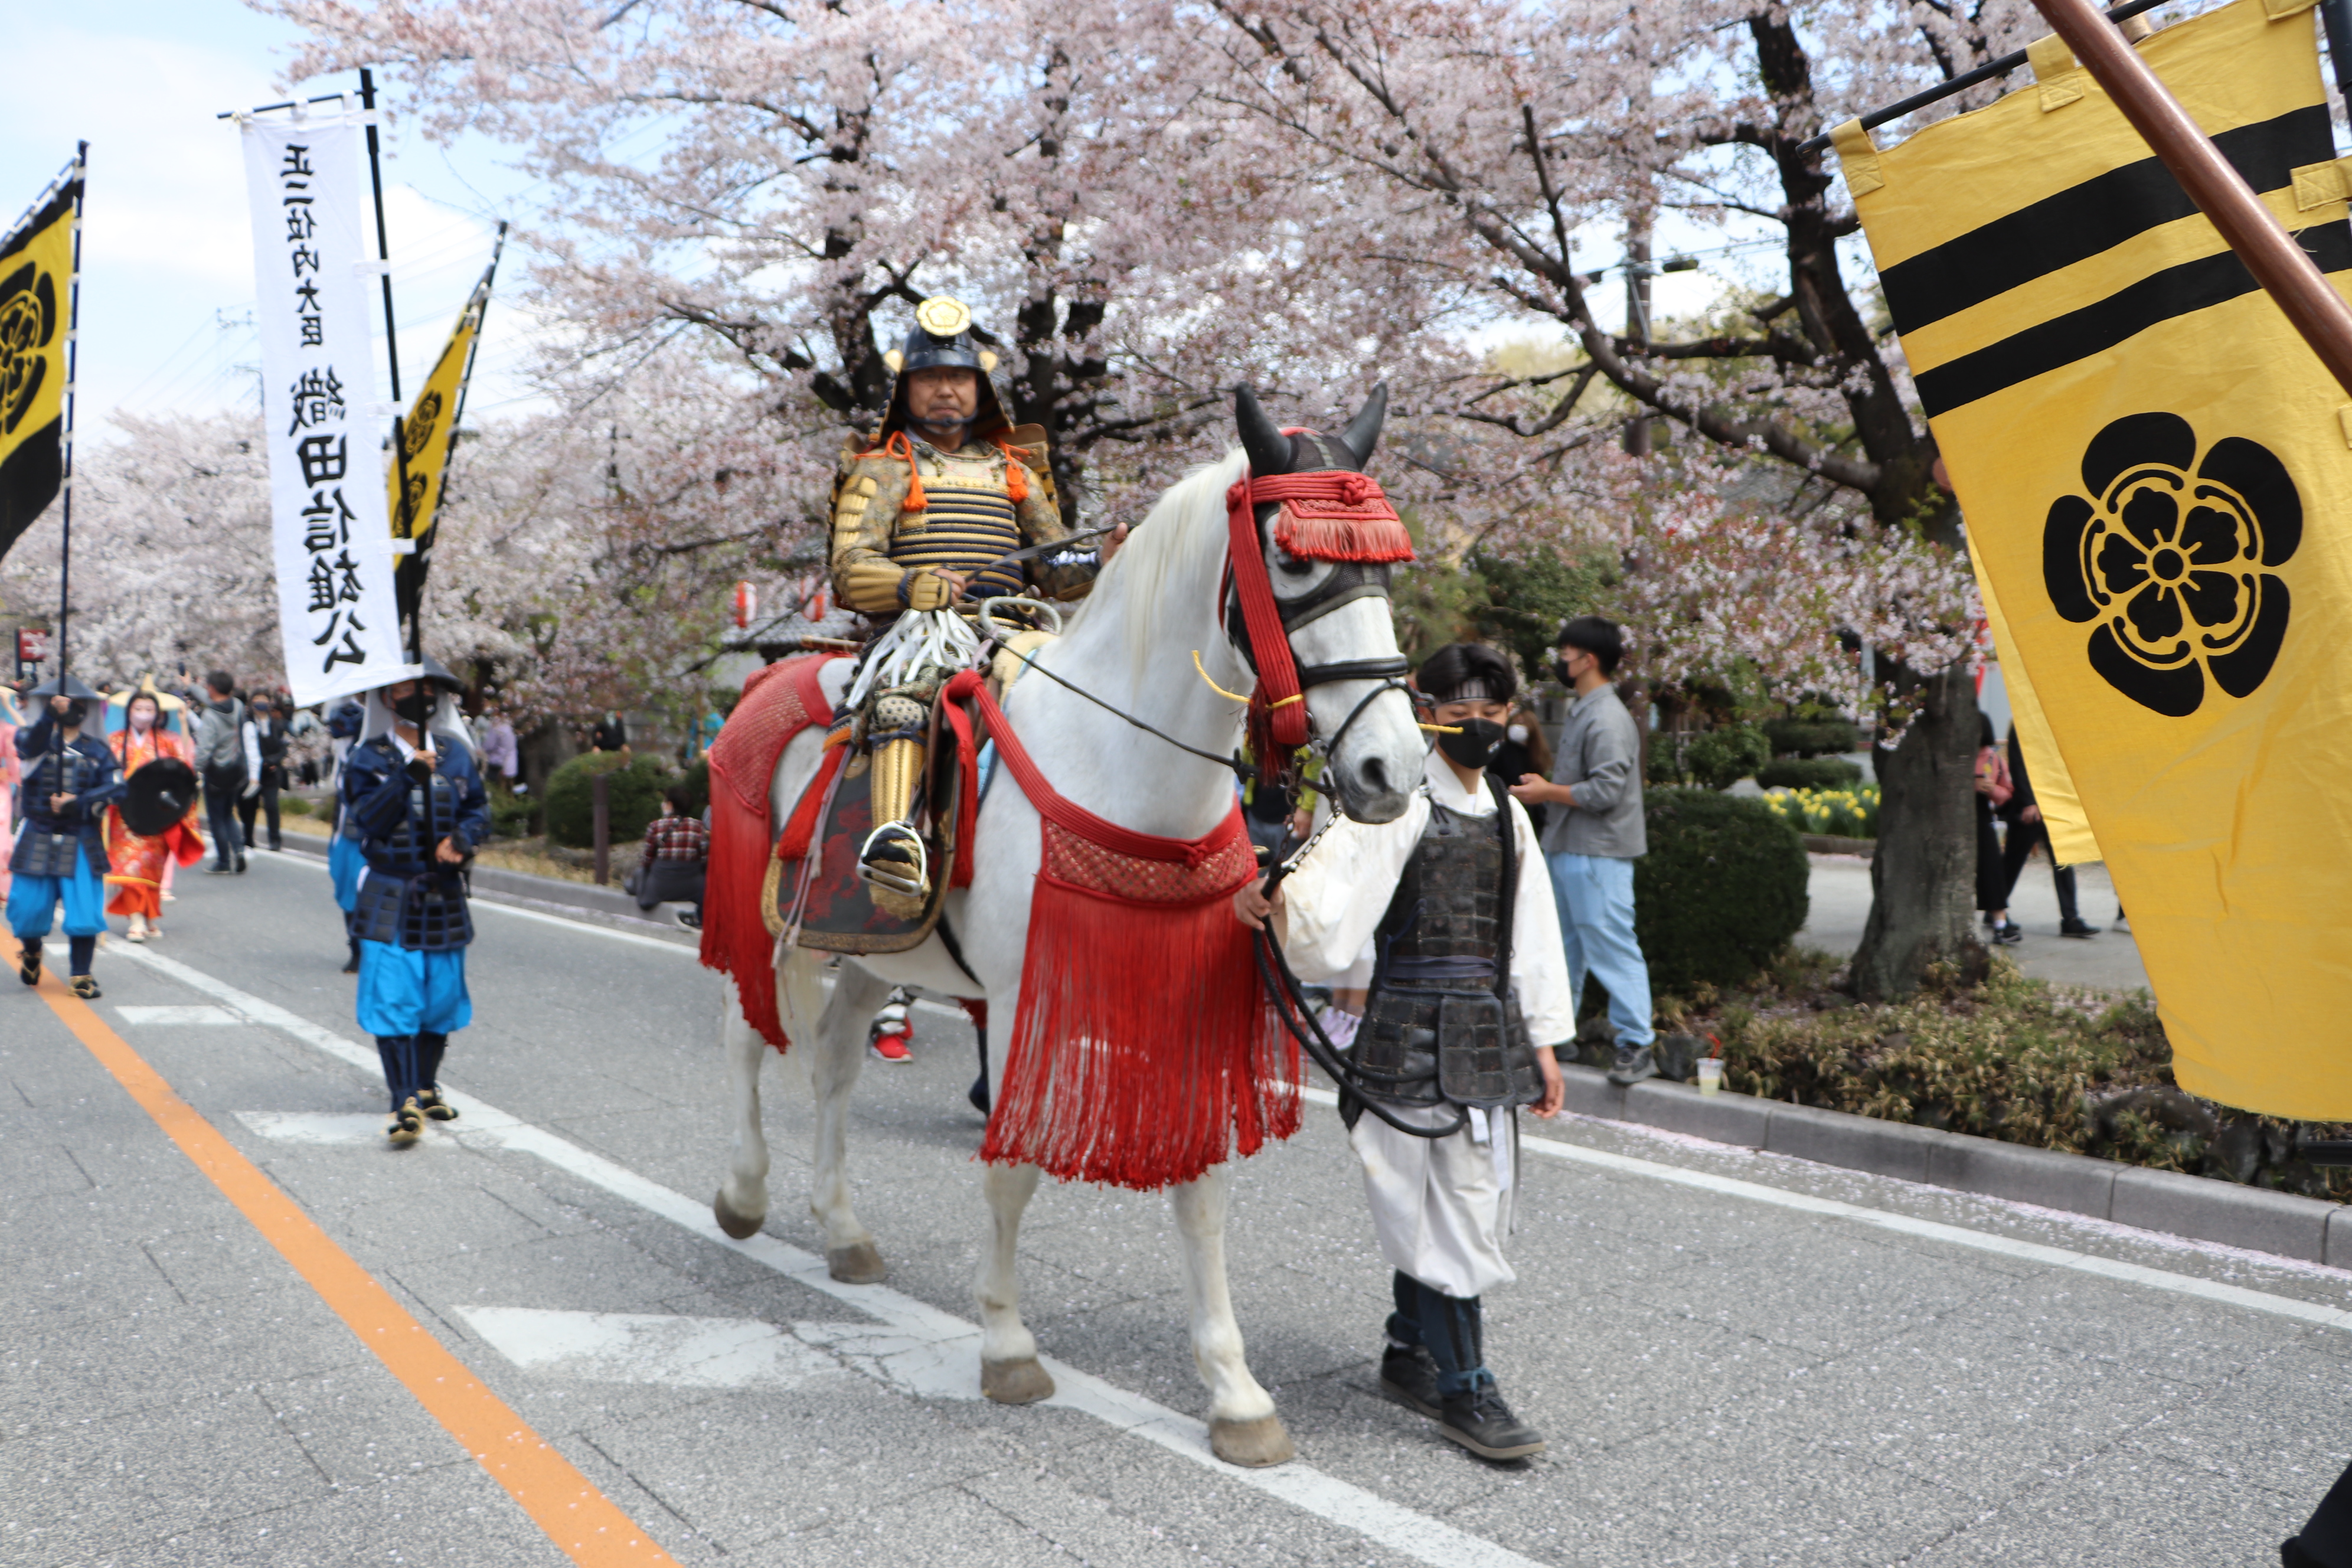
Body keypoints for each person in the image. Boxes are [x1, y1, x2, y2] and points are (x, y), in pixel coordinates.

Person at [1235, 641, 1569, 1463]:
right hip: (1407, 1025)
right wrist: (1277, 898)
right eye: (1462, 715)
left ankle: (1408, 1350)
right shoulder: (1398, 804)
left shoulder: (1508, 809)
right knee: (1445, 1206)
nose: (1482, 729)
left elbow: (1531, 935)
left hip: (1487, 1036)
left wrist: (1546, 1042)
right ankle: (1467, 1391)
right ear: (1426, 715)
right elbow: (1328, 887)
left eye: (1493, 715)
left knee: (1457, 1199)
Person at [828, 294, 1118, 899]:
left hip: (1018, 629)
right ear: (905, 388)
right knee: (907, 701)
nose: (944, 389)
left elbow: (1055, 569)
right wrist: (909, 585)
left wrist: (1103, 559)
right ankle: (894, 838)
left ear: (980, 387)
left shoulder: (1012, 469)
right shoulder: (883, 468)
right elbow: (850, 568)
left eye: (958, 377)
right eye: (929, 376)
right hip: (922, 635)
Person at [344, 658, 489, 1144]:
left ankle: (426, 1086)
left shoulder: (456, 754)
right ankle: (402, 1098)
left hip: (443, 893)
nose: (420, 696)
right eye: (409, 687)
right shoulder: (367, 757)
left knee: (440, 999)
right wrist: (406, 777)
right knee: (395, 998)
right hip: (391, 895)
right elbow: (368, 821)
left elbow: (478, 810)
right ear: (388, 698)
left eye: (429, 688)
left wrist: (464, 840)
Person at [1508, 616, 1657, 1085]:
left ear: (1587, 659)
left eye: (1566, 653)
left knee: (1610, 943)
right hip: (1575, 848)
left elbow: (1605, 791)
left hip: (1598, 852)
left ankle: (1638, 1042)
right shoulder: (1589, 709)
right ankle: (1561, 1034)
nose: (1561, 661)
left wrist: (1548, 792)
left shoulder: (1606, 715)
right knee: (1567, 946)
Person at [9, 677, 122, 999]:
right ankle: (31, 951)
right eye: (61, 702)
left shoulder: (97, 750)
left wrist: (78, 801)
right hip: (38, 832)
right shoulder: (33, 740)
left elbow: (117, 787)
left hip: (81, 835)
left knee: (85, 912)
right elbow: (28, 747)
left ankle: (81, 975)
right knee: (27, 910)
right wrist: (49, 717)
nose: (68, 708)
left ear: (85, 709)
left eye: (74, 703)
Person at [102, 682, 206, 943]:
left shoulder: (167, 743)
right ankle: (136, 920)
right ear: (129, 711)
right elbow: (103, 774)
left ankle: (147, 916)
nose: (144, 713)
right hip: (124, 813)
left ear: (158, 713)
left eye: (149, 708)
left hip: (156, 814)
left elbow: (181, 776)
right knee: (131, 867)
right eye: (139, 707)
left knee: (151, 868)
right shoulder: (114, 740)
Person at [1999, 726, 2096, 939]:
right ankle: (1996, 909)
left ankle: (2070, 918)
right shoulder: (2023, 723)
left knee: (2064, 861)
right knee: (2013, 862)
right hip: (2030, 806)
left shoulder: (2054, 720)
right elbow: (2018, 764)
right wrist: (2029, 802)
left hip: (2056, 805)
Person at [193, 670, 257, 874]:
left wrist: (195, 770)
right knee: (229, 814)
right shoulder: (238, 706)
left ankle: (223, 861)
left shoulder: (210, 715)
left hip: (217, 773)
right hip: (236, 770)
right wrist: (189, 685)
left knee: (216, 818)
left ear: (212, 688)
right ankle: (238, 851)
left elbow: (204, 749)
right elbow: (210, 700)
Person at [1974, 714, 2021, 946]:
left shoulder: (1992, 758)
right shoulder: (1952, 755)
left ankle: (2001, 924)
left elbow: (2006, 794)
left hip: (1981, 816)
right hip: (1954, 817)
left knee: (1992, 868)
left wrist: (1991, 790)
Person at [635, 784, 708, 930]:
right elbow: (705, 859)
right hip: (692, 885)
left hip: (661, 885)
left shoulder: (656, 826)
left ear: (670, 805)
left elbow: (647, 860)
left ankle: (634, 886)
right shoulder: (698, 826)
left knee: (639, 874)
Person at [1488, 699, 1553, 838]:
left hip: (1533, 810)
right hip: (1508, 806)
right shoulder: (1503, 751)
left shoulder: (1537, 752)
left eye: (1522, 723)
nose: (1517, 727)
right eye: (1514, 723)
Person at [239, 692, 290, 853]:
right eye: (257, 701)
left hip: (271, 772)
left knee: (272, 806)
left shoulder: (278, 724)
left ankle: (275, 840)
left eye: (264, 701)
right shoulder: (247, 725)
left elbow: (283, 749)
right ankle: (248, 839)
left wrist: (272, 762)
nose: (261, 705)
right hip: (252, 772)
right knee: (249, 806)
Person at [478, 706, 520, 792]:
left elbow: (489, 745)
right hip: (511, 763)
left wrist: (482, 747)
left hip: (496, 762)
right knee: (509, 789)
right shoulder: (509, 729)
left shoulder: (497, 729)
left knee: (495, 787)